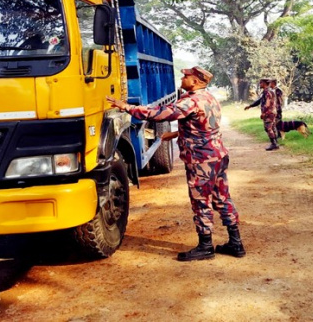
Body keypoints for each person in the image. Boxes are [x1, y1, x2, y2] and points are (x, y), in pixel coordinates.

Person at [106, 66, 245, 261]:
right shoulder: (209, 98)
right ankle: (236, 243)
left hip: (201, 160)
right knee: (222, 198)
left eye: (186, 76)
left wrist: (126, 107)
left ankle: (205, 246)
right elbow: (202, 126)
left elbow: (158, 113)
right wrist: (175, 134)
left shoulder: (190, 101)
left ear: (195, 81)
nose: (182, 78)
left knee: (201, 201)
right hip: (217, 156)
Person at [244, 78, 279, 150]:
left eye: (261, 83)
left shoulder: (267, 92)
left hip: (269, 112)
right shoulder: (268, 91)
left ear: (264, 83)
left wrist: (264, 113)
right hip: (272, 112)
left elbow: (267, 103)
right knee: (272, 127)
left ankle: (274, 144)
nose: (260, 84)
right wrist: (250, 106)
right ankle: (275, 142)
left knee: (268, 128)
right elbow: (259, 101)